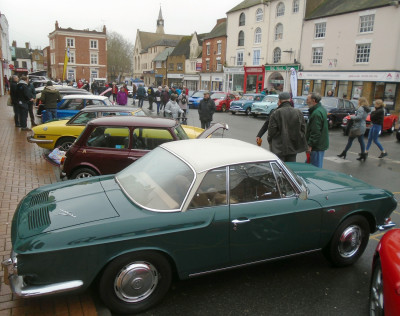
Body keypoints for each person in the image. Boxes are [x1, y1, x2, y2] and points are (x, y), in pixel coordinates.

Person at [265, 92, 307, 162]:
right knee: (290, 168)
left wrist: (270, 141)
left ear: (279, 100)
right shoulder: (298, 112)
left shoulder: (276, 112)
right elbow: (303, 129)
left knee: (280, 168)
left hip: (278, 146)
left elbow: (271, 131)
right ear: (290, 100)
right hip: (293, 146)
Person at [337, 97, 370, 162]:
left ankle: (344, 153)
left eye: (358, 101)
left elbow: (359, 117)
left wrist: (351, 116)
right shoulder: (366, 109)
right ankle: (363, 155)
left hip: (357, 126)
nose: (358, 102)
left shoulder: (361, 108)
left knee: (350, 140)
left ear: (361, 101)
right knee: (361, 141)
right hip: (362, 126)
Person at [306, 92, 329, 168]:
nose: (306, 101)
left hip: (317, 146)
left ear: (313, 100)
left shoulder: (316, 113)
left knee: (315, 168)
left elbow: (315, 131)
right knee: (309, 165)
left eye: (308, 99)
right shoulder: (321, 110)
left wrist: (310, 145)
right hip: (319, 145)